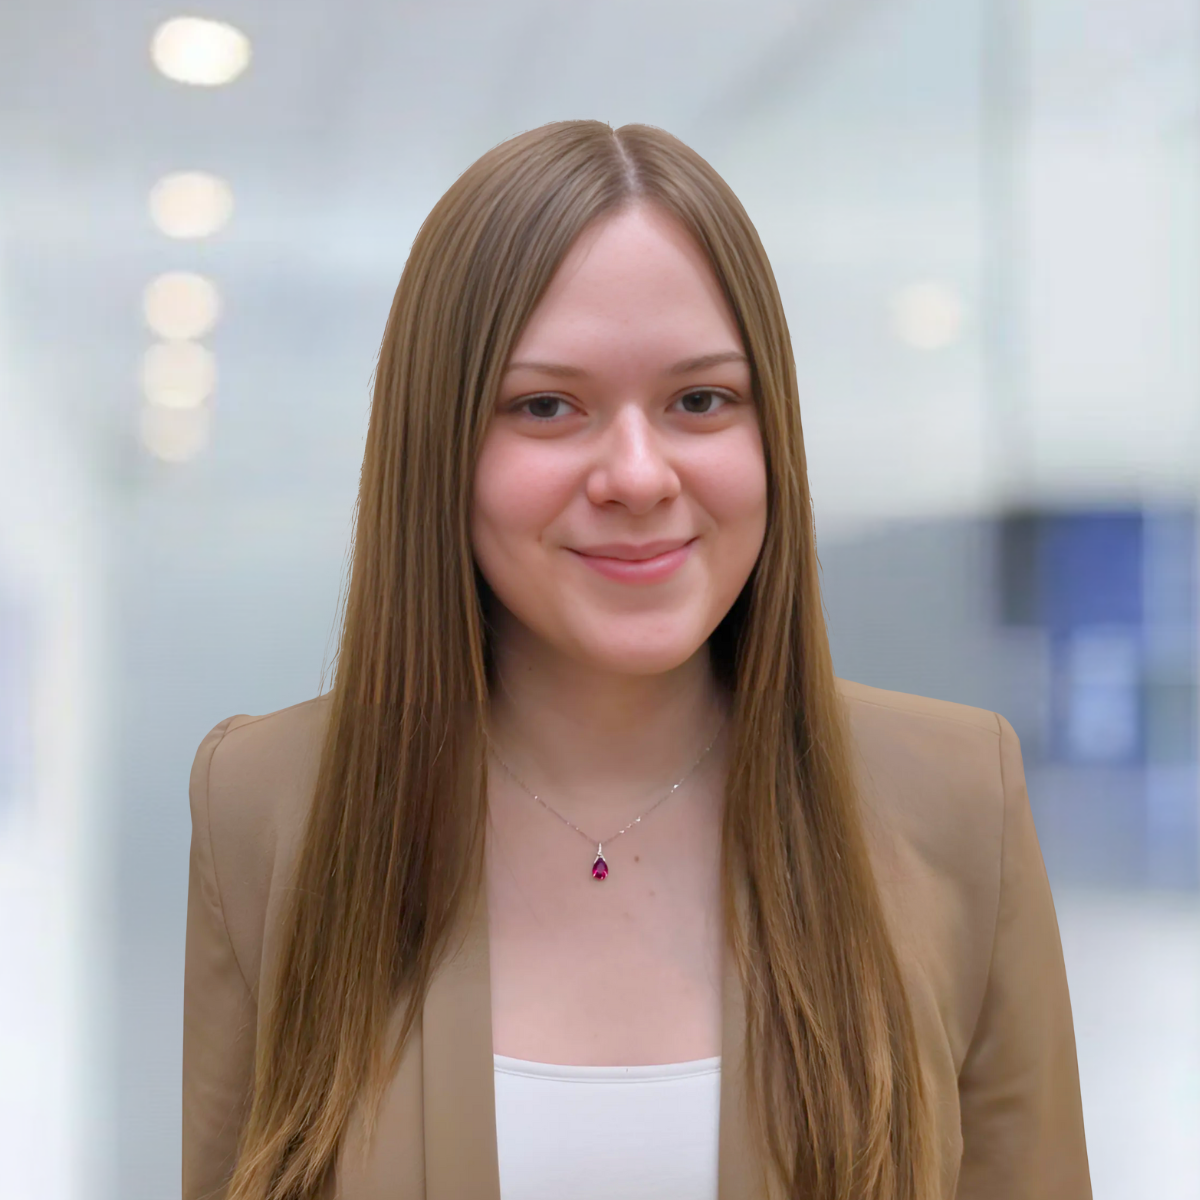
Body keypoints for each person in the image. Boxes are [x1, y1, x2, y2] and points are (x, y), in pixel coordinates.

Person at [182, 121, 1091, 1200]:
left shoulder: (953, 795)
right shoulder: (268, 797)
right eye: (546, 406)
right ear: (441, 447)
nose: (637, 474)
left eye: (700, 400)